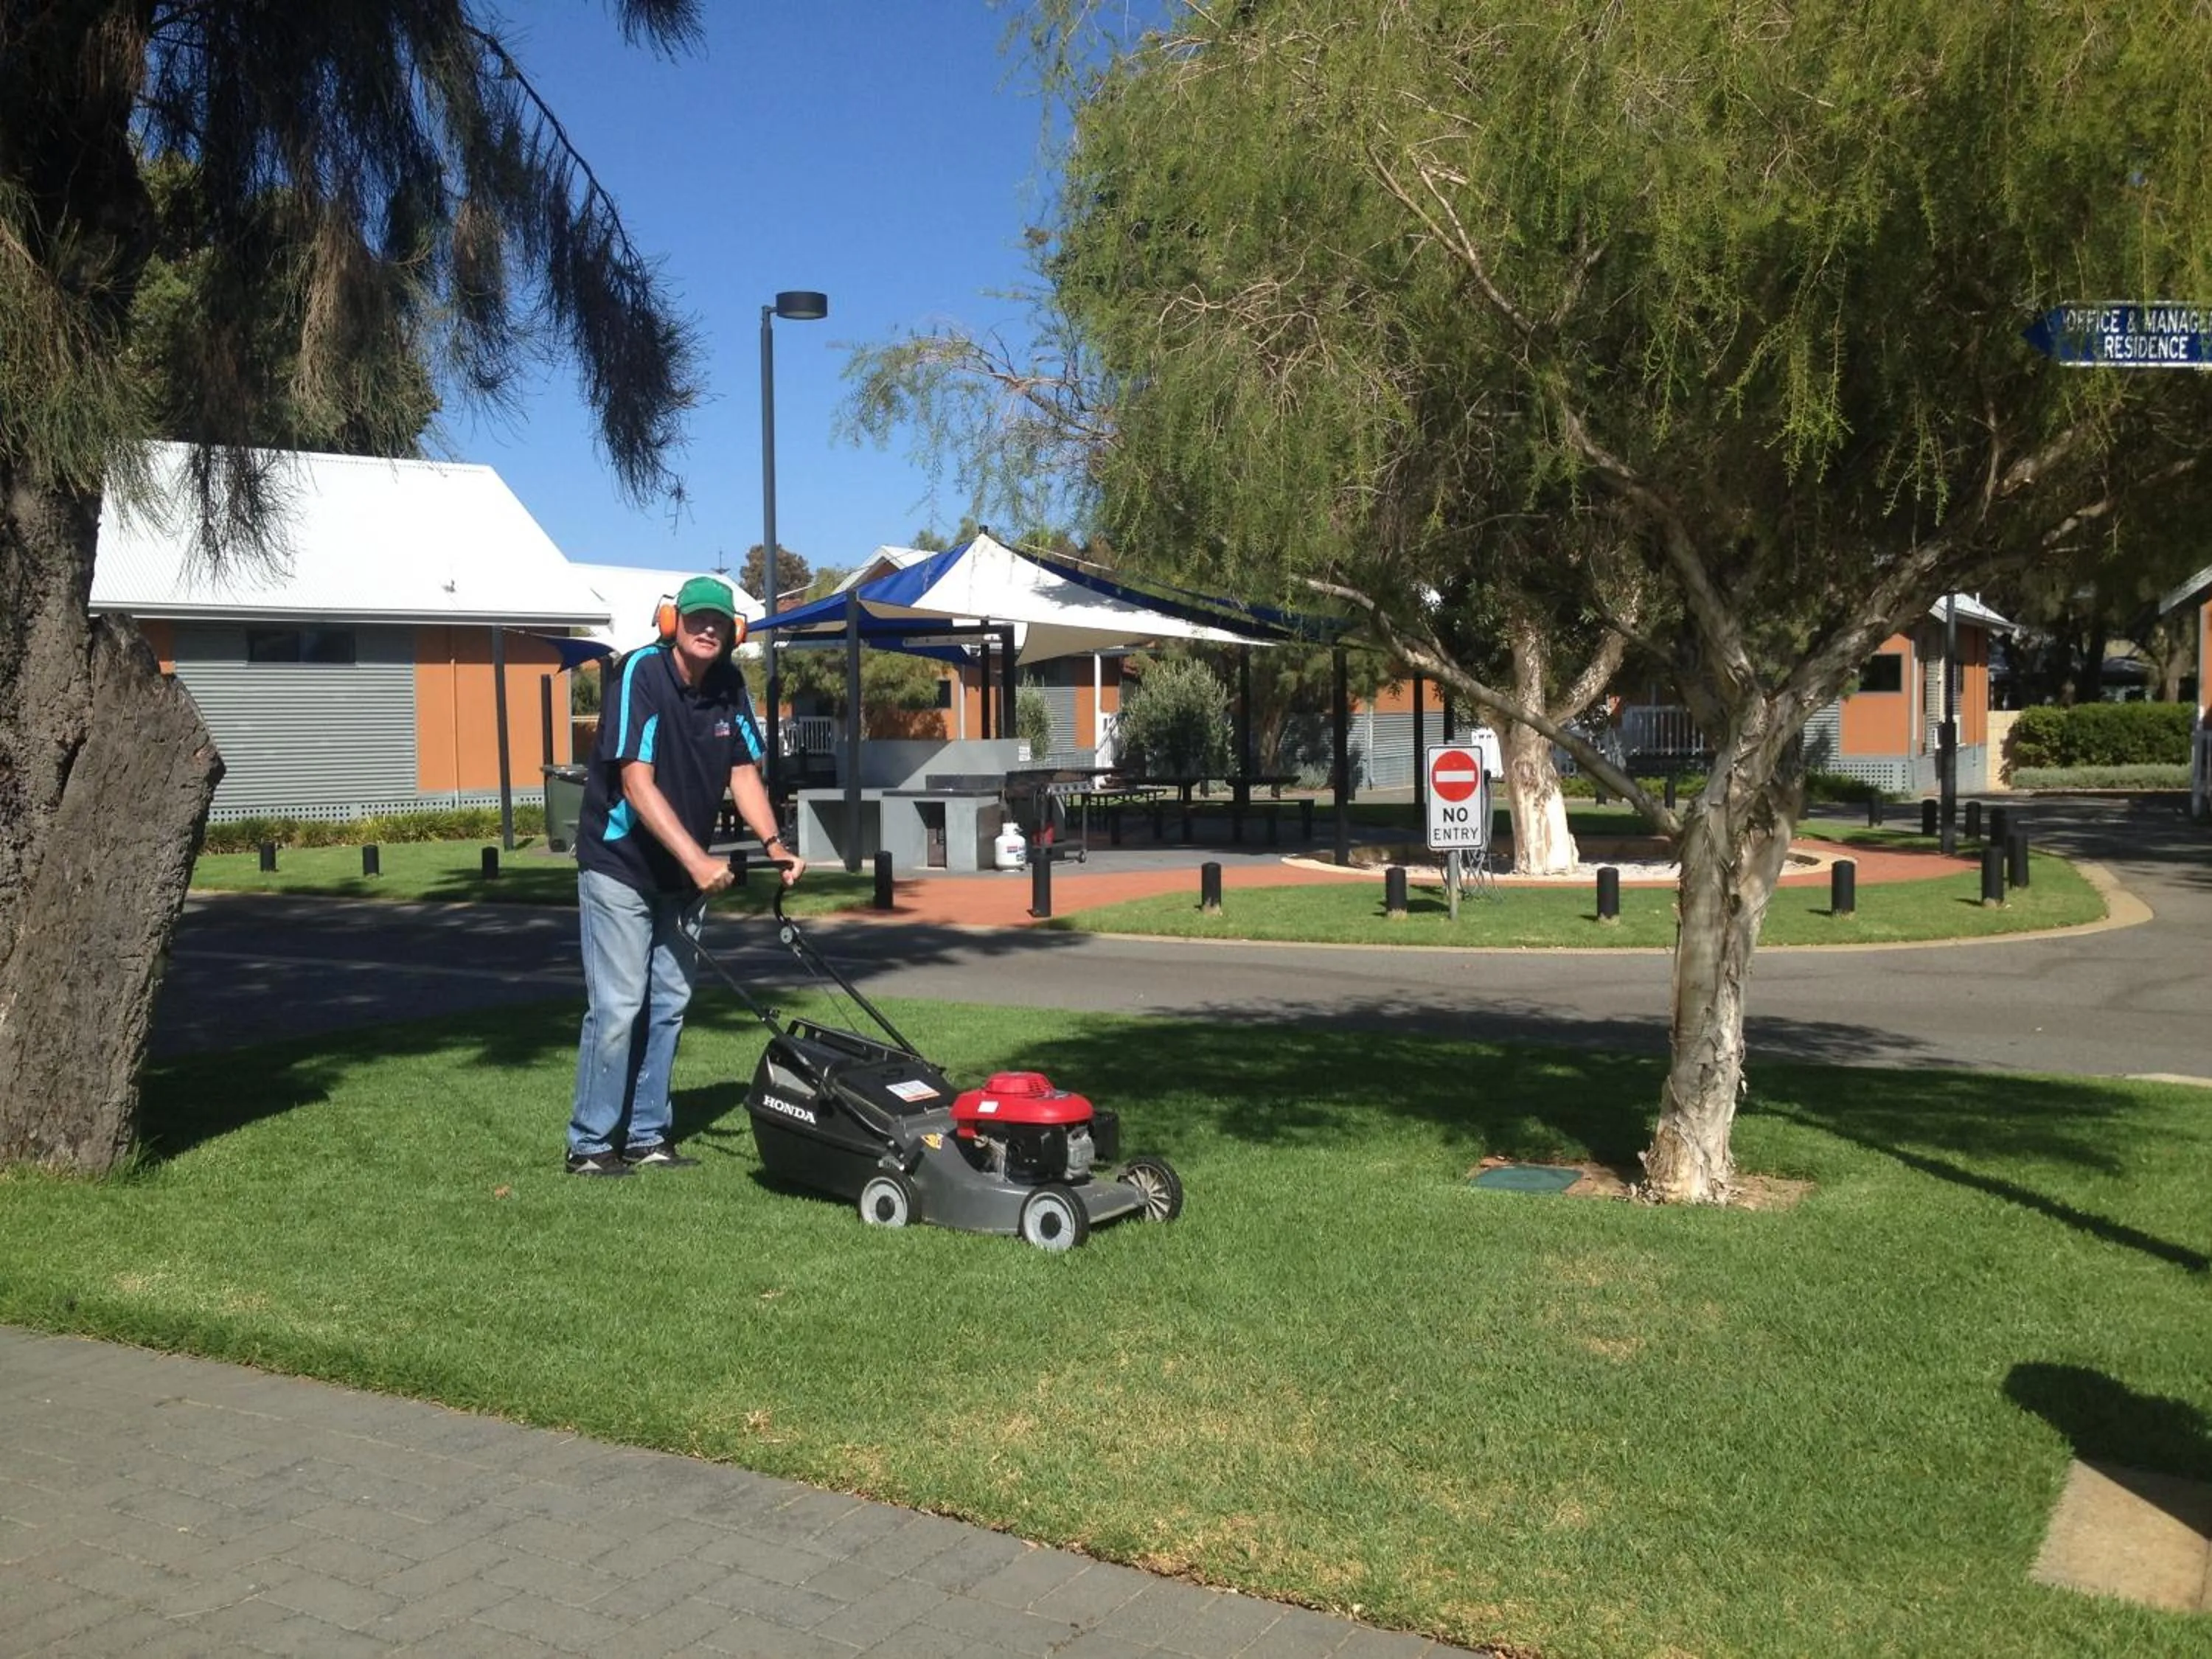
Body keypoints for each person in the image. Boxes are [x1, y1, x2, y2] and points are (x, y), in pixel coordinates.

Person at [566, 573, 804, 1176]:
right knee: (620, 1005)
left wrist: (774, 842)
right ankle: (591, 1145)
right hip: (621, 865)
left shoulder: (728, 684)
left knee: (669, 1002)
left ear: (732, 631)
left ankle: (648, 1135)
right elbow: (635, 783)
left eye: (718, 622)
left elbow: (743, 771)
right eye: (696, 618)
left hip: (683, 877)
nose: (706, 629)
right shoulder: (640, 675)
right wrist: (698, 860)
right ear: (674, 623)